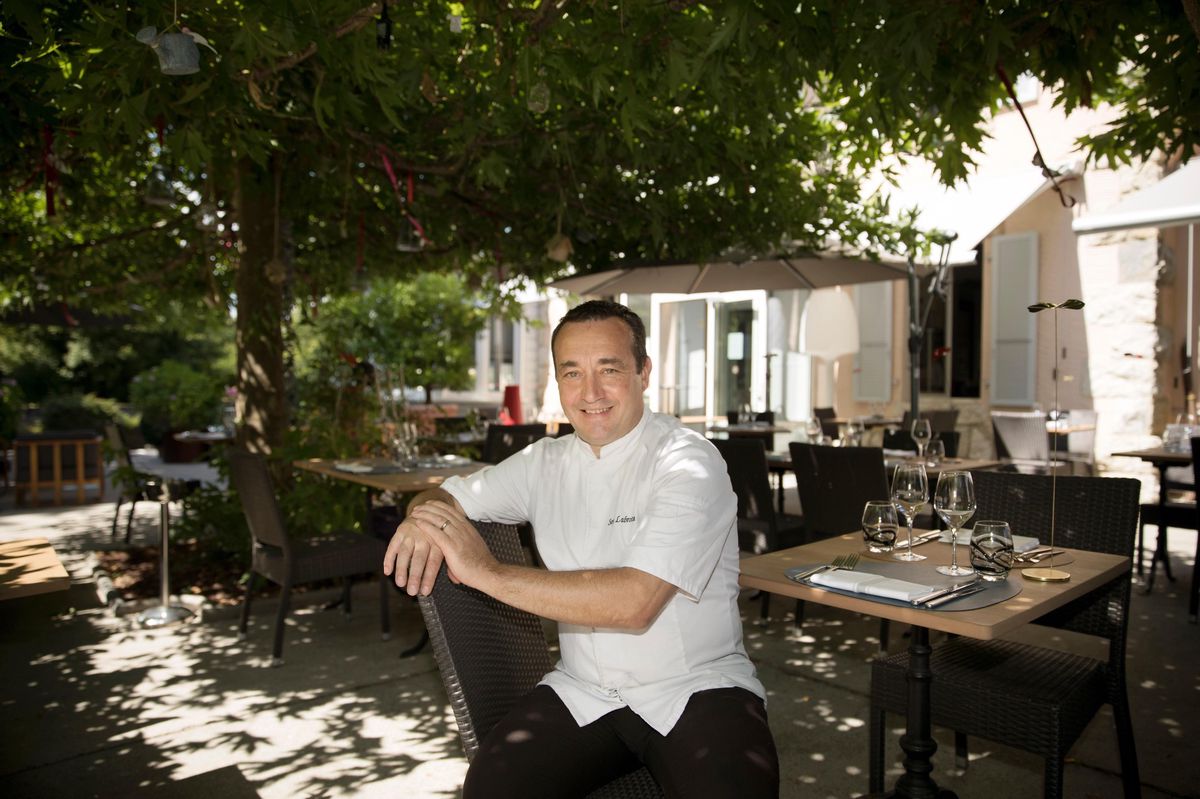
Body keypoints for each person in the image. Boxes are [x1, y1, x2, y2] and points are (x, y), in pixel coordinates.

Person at [383, 299, 779, 798]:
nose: (590, 393)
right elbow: (446, 493)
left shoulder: (688, 462)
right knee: (489, 789)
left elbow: (634, 603)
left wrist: (485, 571)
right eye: (572, 373)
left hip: (697, 687)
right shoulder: (544, 463)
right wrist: (422, 517)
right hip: (585, 690)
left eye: (609, 369)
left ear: (643, 373)